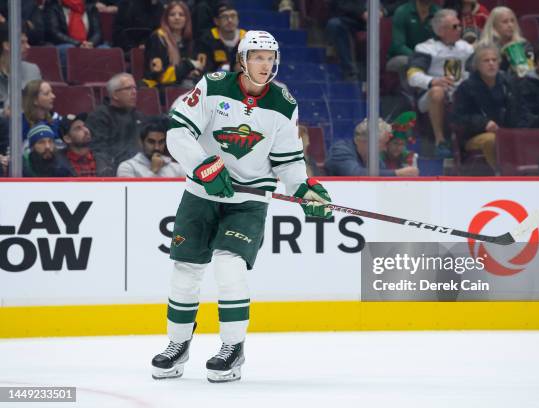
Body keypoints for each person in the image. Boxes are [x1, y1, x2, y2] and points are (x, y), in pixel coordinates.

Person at [151, 30, 332, 383]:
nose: (265, 65)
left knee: (229, 265)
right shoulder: (214, 86)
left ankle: (232, 349)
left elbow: (288, 161)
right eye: (258, 57)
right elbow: (177, 132)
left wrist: (305, 189)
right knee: (185, 270)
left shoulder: (282, 103)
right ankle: (177, 345)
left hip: (248, 200)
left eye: (270, 58)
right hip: (201, 194)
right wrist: (203, 165)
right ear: (242, 60)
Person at [407, 8, 473, 158]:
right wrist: (433, 81)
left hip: (460, 92)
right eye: (455, 27)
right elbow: (412, 76)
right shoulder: (426, 48)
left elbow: (472, 72)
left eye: (459, 25)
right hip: (430, 96)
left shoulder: (466, 48)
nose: (460, 29)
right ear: (441, 31)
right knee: (438, 91)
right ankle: (440, 141)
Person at [452, 43, 530, 170]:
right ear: (477, 65)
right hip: (475, 135)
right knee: (492, 140)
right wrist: (483, 123)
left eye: (494, 60)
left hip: (507, 132)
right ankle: (502, 174)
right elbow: (458, 118)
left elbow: (520, 110)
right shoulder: (466, 87)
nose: (491, 64)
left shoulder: (509, 83)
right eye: (486, 61)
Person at [86, 73, 145, 173]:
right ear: (114, 95)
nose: (134, 92)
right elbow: (100, 150)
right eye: (128, 88)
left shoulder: (139, 116)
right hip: (115, 172)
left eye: (135, 88)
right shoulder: (99, 116)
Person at [325, 117, 419, 176]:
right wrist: (397, 173)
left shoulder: (372, 157)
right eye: (383, 143)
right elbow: (355, 174)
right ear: (370, 141)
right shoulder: (340, 151)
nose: (385, 148)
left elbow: (382, 174)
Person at [143, 0, 205, 89]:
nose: (177, 18)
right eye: (172, 15)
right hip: (159, 87)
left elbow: (193, 67)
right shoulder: (157, 38)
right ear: (166, 18)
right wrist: (189, 65)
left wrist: (192, 70)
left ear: (187, 19)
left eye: (181, 15)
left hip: (183, 83)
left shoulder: (188, 39)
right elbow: (160, 76)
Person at [386, 0, 440, 88]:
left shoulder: (438, 13)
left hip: (429, 57)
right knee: (406, 62)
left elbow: (441, 42)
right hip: (402, 56)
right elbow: (398, 45)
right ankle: (410, 97)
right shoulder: (402, 11)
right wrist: (418, 57)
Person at [477, 6, 533, 77]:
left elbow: (530, 70)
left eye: (512, 21)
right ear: (494, 25)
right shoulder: (484, 47)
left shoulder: (524, 45)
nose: (510, 25)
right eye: (505, 22)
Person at [116, 119, 183, 177]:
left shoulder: (177, 169)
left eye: (161, 142)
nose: (157, 147)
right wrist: (153, 171)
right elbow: (130, 192)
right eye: (151, 142)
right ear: (141, 142)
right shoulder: (128, 167)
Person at [0, 24, 41, 116]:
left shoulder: (32, 70)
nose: (28, 46)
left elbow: (38, 103)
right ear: (6, 45)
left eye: (27, 42)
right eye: (22, 42)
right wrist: (3, 113)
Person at [57, 112, 114, 177]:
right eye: (78, 128)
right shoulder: (57, 164)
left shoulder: (105, 160)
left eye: (84, 126)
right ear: (67, 139)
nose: (86, 130)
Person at [196, 1, 246, 73]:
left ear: (238, 19)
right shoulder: (207, 39)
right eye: (224, 17)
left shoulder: (247, 38)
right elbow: (203, 67)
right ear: (216, 21)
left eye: (233, 15)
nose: (230, 20)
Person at [21, 80, 61, 147]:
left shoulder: (56, 121)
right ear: (35, 100)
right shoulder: (19, 124)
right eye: (47, 93)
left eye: (52, 92)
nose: (53, 96)